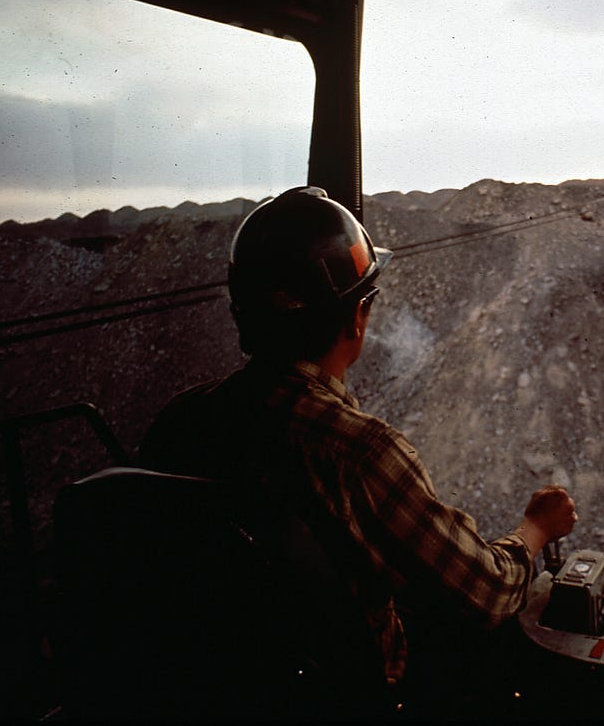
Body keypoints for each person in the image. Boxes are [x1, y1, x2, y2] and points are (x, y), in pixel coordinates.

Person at [138, 186, 577, 716]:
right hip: (353, 695)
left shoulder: (181, 418)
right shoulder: (360, 451)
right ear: (355, 318)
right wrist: (535, 529)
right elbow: (485, 593)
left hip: (219, 688)